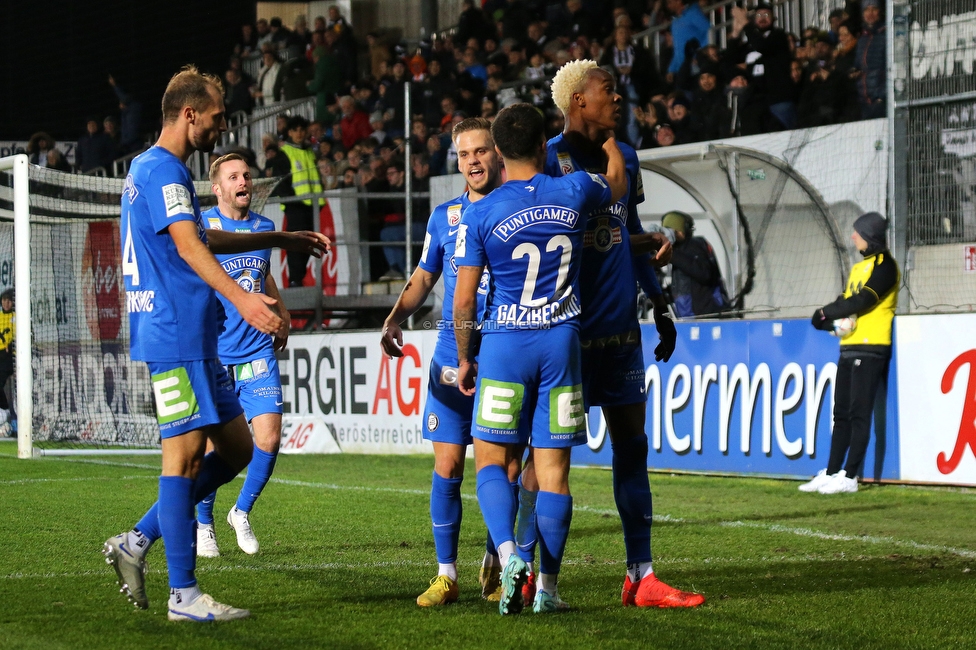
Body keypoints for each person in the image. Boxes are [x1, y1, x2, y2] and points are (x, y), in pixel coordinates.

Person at [103, 65, 329, 622]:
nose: (220, 127)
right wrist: (247, 300)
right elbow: (189, 246)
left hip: (192, 338)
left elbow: (202, 235)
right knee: (180, 464)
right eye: (216, 118)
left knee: (238, 451)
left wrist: (276, 235)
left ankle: (136, 540)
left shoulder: (148, 169)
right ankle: (184, 594)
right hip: (176, 335)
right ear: (189, 114)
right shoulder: (167, 173)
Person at [516, 60, 701, 611]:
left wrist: (661, 305)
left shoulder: (629, 158)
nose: (617, 98)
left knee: (632, 449)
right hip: (563, 336)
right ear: (577, 101)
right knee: (544, 463)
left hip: (620, 333)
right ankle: (522, 566)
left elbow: (629, 234)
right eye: (607, 91)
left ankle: (640, 575)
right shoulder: (546, 158)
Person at [453, 102, 626, 615]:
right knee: (553, 473)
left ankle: (507, 554)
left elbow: (463, 301)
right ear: (543, 144)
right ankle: (546, 590)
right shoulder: (575, 190)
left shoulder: (480, 211)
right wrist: (611, 144)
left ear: (500, 152)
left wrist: (466, 356)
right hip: (561, 346)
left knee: (490, 460)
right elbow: (616, 181)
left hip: (506, 345)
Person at [380, 118, 517, 607]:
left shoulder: (515, 208)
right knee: (448, 466)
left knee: (504, 468)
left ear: (499, 154)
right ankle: (446, 574)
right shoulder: (445, 217)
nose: (474, 161)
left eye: (482, 151)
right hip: (446, 358)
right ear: (457, 160)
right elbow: (423, 275)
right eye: (465, 155)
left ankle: (495, 564)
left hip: (501, 355)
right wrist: (396, 316)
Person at [195, 153, 289, 558]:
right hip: (215, 353)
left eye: (247, 175)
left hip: (256, 350)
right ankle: (203, 525)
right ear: (218, 188)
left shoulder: (265, 227)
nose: (244, 181)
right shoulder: (202, 227)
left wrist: (281, 311)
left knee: (268, 437)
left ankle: (241, 512)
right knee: (216, 448)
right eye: (234, 176)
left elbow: (263, 271)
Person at [804, 212, 898, 494]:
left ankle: (850, 476)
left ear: (869, 236)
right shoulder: (859, 268)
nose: (852, 237)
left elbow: (864, 300)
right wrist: (822, 317)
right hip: (849, 346)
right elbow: (845, 299)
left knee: (859, 412)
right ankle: (832, 472)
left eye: (857, 232)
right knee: (840, 413)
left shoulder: (885, 266)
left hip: (871, 347)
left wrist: (826, 312)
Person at [270, 116, 323, 286]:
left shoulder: (309, 151)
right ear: (289, 133)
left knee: (309, 244)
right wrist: (292, 201)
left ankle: (298, 278)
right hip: (296, 207)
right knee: (297, 244)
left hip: (312, 206)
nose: (299, 133)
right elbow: (280, 183)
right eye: (295, 130)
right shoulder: (284, 153)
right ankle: (295, 279)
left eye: (302, 129)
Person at [661, 211, 731, 317]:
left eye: (675, 231)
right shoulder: (679, 251)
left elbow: (704, 274)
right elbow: (685, 286)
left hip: (707, 315)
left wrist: (672, 255)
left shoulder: (695, 245)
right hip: (688, 315)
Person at [853, 0, 886, 119]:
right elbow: (858, 65)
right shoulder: (862, 39)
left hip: (880, 103)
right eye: (866, 10)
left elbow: (891, 68)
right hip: (863, 102)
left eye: (874, 9)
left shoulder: (886, 36)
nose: (870, 13)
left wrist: (881, 96)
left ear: (879, 12)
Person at [666, 0, 710, 83]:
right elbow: (677, 49)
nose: (668, 6)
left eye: (670, 2)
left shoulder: (692, 13)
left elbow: (709, 31)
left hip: (695, 65)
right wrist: (671, 69)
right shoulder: (674, 22)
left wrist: (700, 55)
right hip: (682, 68)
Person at [0, 289, 15, 436]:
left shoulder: (15, 317)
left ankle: (5, 413)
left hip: (8, 356)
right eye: (4, 300)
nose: (6, 302)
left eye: (9, 300)